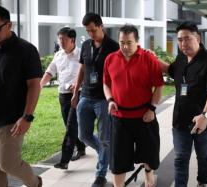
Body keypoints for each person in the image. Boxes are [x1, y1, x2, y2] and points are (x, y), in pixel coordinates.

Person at [159, 22, 207, 187]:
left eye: (187, 39)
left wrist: (205, 115)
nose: (183, 43)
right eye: (180, 39)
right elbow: (170, 70)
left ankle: (202, 182)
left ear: (198, 38)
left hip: (202, 121)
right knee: (180, 158)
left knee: (203, 156)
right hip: (180, 119)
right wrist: (148, 57)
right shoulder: (181, 57)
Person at [103, 24, 164, 187]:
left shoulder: (148, 58)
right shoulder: (111, 59)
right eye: (122, 42)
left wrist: (152, 109)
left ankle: (149, 175)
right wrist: (110, 100)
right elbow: (106, 84)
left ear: (137, 41)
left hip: (144, 116)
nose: (125, 46)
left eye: (129, 42)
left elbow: (159, 86)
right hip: (119, 117)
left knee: (150, 154)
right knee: (118, 158)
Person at [0, 5, 43, 187]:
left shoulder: (26, 50)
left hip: (11, 119)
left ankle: (35, 183)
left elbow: (34, 85)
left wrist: (27, 116)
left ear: (9, 25)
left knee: (8, 164)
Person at [71, 13, 119, 187]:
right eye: (87, 31)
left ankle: (100, 174)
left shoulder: (114, 47)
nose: (90, 34)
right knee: (83, 135)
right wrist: (76, 92)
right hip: (85, 96)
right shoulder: (85, 45)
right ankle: (104, 152)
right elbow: (82, 69)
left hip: (104, 99)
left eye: (93, 30)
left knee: (105, 138)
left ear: (101, 26)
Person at [40, 27, 86, 170]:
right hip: (62, 95)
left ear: (72, 40)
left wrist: (79, 83)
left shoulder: (81, 54)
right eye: (59, 39)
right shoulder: (58, 55)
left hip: (77, 94)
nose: (61, 42)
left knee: (71, 125)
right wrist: (40, 85)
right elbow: (50, 71)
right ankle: (81, 147)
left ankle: (64, 160)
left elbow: (88, 72)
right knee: (69, 125)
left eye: (64, 39)